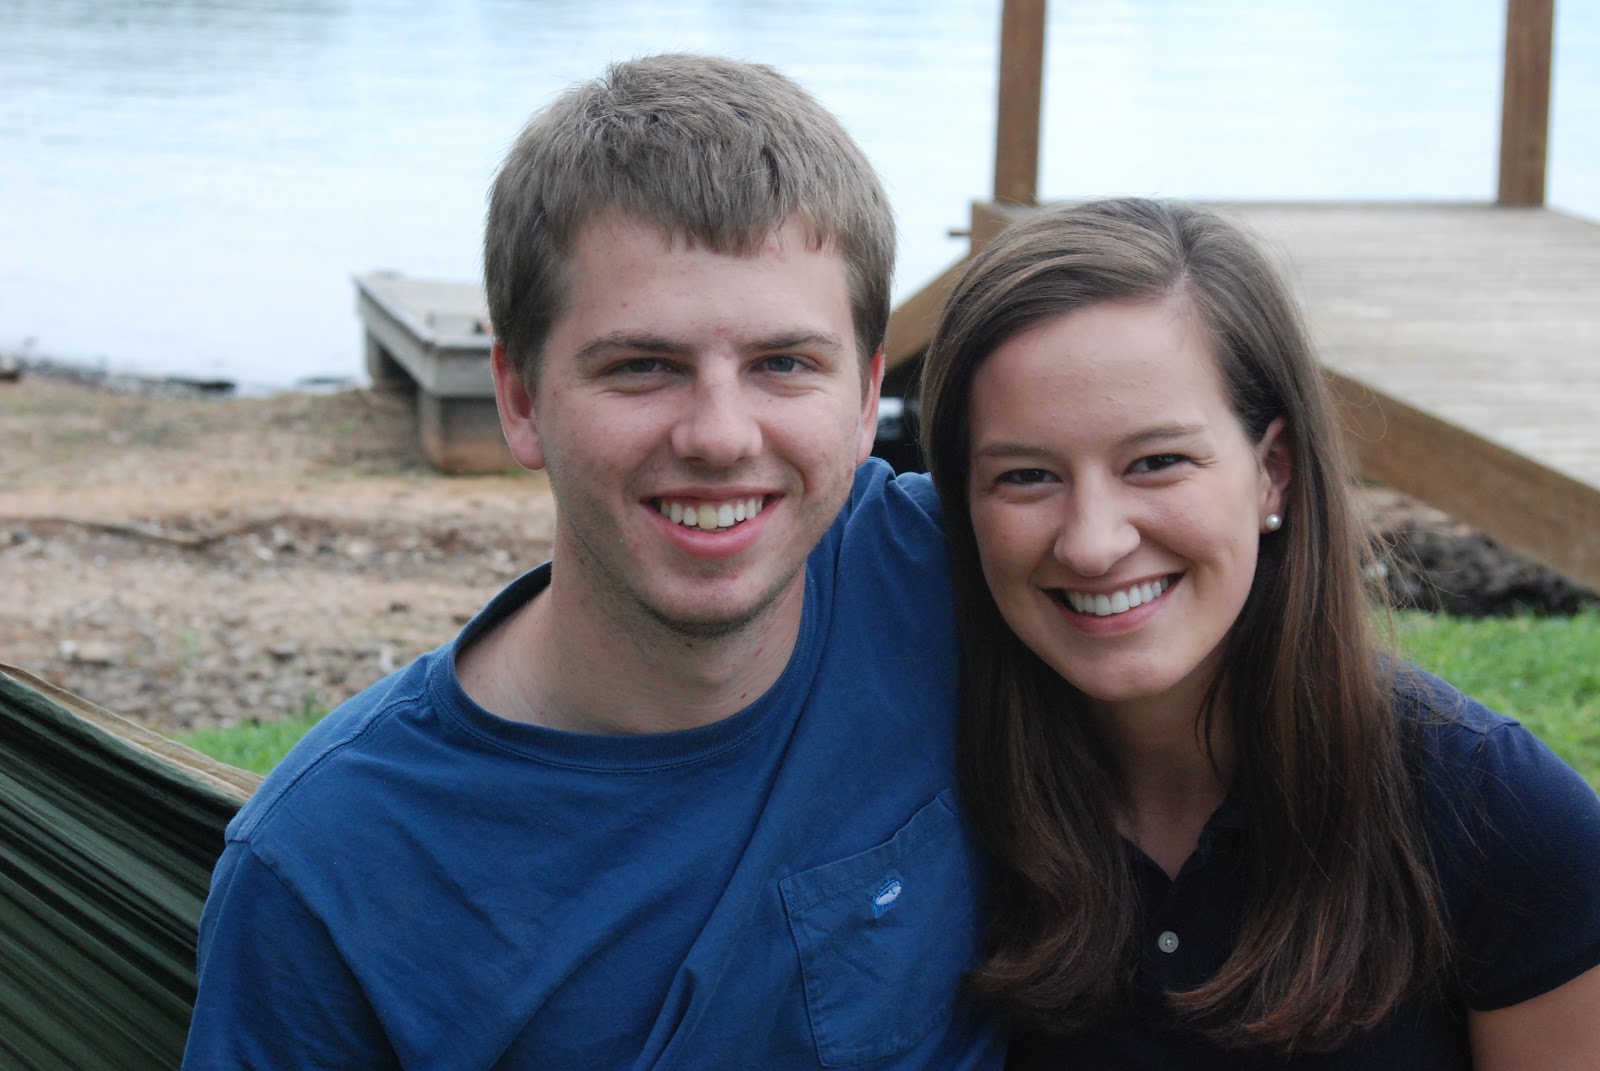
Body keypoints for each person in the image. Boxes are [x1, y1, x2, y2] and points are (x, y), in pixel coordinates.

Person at [182, 54, 1004, 1069]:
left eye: (783, 364)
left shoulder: (958, 579)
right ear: (520, 398)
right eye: (642, 366)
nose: (719, 435)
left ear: (868, 395)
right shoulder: (332, 870)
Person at [917, 197, 1600, 1068]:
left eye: (1157, 461)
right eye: (1025, 475)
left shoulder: (1506, 822)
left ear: (1272, 471)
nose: (1092, 542)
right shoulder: (913, 800)